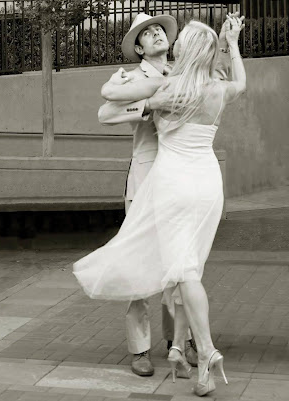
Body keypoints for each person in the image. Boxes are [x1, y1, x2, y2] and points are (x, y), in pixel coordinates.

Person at [74, 15, 246, 397]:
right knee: (144, 262)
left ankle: (180, 345)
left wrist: (224, 44)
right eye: (147, 33)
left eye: (160, 31)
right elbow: (105, 112)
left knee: (179, 268)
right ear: (138, 48)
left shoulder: (177, 76)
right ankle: (145, 348)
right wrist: (146, 105)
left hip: (176, 181)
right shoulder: (142, 78)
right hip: (153, 179)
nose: (157, 34)